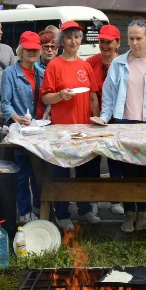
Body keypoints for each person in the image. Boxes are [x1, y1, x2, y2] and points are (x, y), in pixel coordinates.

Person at [91, 18, 146, 232]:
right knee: (126, 171)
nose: (134, 42)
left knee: (145, 170)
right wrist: (104, 116)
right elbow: (108, 94)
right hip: (123, 122)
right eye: (131, 38)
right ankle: (128, 214)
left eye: (139, 38)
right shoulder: (118, 64)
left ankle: (142, 213)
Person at [39, 20, 102, 231]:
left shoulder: (85, 66)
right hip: (62, 130)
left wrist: (95, 119)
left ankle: (85, 210)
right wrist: (60, 95)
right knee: (61, 173)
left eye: (76, 37)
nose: (73, 41)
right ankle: (63, 213)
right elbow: (46, 98)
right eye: (68, 37)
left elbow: (93, 97)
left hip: (84, 129)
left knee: (85, 172)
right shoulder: (54, 65)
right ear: (62, 41)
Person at [0, 31, 43, 224]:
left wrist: (47, 112)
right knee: (22, 172)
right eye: (28, 49)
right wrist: (16, 118)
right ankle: (24, 212)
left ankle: (40, 209)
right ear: (21, 50)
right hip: (19, 131)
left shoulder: (41, 71)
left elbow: (46, 100)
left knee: (39, 172)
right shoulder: (10, 72)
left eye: (35, 48)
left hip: (40, 130)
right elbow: (5, 103)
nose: (32, 52)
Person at [85, 24, 124, 215]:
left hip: (118, 117)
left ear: (117, 42)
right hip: (95, 116)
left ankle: (116, 197)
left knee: (116, 157)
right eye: (101, 41)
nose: (104, 45)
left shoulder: (125, 62)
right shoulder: (90, 62)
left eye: (108, 42)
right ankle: (92, 199)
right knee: (93, 159)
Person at [34, 29, 58, 121]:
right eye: (46, 47)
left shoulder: (61, 66)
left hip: (57, 113)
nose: (50, 50)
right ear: (40, 48)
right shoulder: (33, 67)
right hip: (37, 115)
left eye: (53, 47)